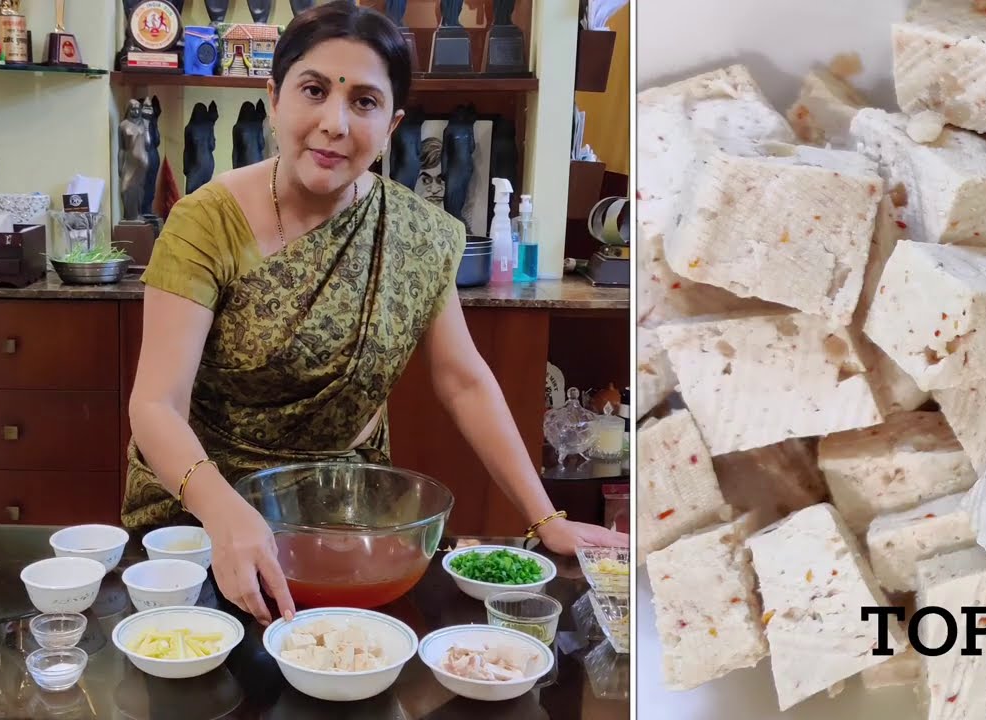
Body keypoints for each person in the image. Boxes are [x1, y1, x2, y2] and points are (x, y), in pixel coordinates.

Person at [123, 0, 628, 626]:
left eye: (364, 101)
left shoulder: (414, 232)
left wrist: (546, 517)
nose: (334, 122)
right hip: (203, 512)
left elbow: (463, 380)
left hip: (344, 517)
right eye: (313, 90)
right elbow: (155, 405)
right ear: (274, 97)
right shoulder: (205, 223)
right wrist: (223, 512)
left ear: (392, 124)